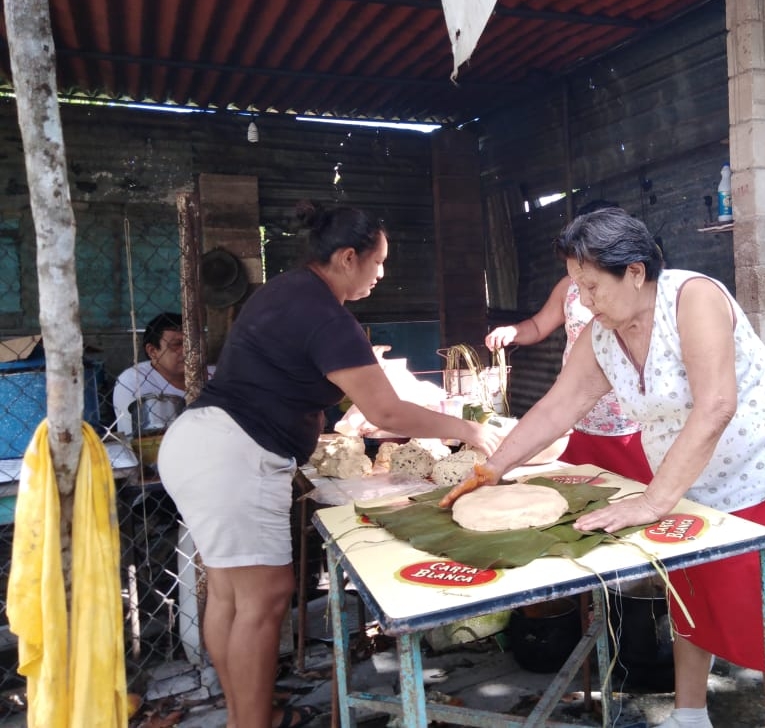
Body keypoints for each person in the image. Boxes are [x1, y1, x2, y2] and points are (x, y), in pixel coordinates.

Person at [446, 208, 765, 728]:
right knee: (692, 590)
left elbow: (716, 406)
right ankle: (690, 715)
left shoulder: (693, 298)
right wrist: (493, 467)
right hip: (691, 474)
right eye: (578, 288)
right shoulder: (602, 334)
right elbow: (557, 406)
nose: (586, 302)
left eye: (593, 288)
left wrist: (655, 501)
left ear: (635, 271)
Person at [157, 202, 505, 728]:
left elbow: (332, 389)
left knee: (231, 595)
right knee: (266, 597)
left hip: (198, 444)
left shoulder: (286, 291)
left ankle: (246, 716)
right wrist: (471, 430)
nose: (383, 273)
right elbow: (385, 409)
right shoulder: (326, 314)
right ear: (348, 258)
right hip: (236, 455)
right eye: (379, 262)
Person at [484, 201, 653, 483]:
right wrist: (513, 331)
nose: (587, 300)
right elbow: (539, 327)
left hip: (629, 425)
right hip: (578, 420)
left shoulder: (670, 299)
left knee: (632, 493)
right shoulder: (574, 295)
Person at [111, 312, 213, 436]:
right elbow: (147, 436)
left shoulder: (215, 374)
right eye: (177, 345)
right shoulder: (134, 380)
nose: (188, 350)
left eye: (193, 343)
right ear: (153, 351)